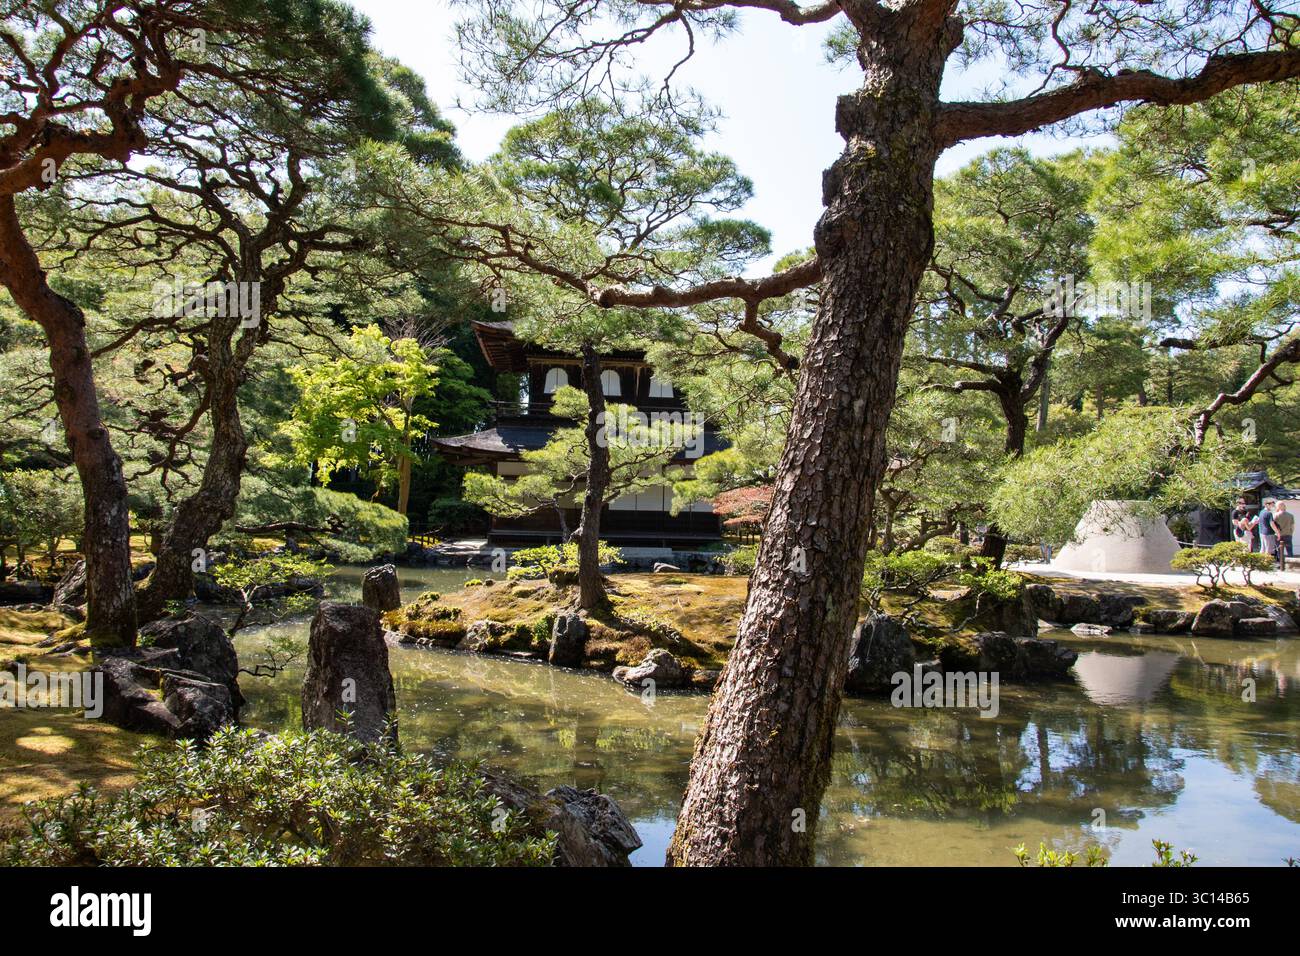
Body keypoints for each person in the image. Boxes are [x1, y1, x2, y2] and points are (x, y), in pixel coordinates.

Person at [1257, 500, 1279, 567]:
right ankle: (1266, 563)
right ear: (1267, 504)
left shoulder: (1261, 512)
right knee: (1268, 549)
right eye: (1271, 505)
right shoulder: (1269, 513)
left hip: (1262, 532)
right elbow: (1272, 524)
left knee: (1263, 548)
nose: (1272, 506)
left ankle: (1260, 562)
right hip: (1268, 533)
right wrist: (1277, 532)